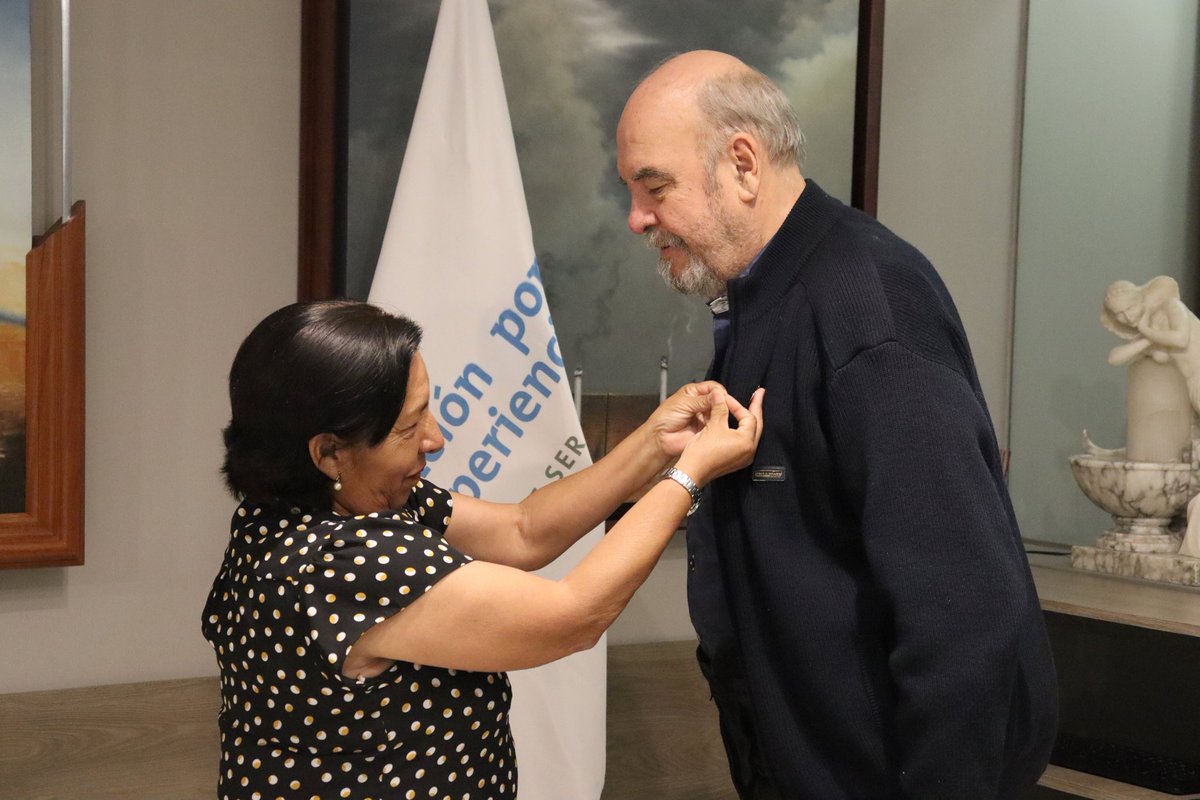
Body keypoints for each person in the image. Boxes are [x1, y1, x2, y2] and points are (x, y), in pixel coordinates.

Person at [616, 50, 1058, 799]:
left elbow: (963, 613)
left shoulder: (869, 311)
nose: (636, 219)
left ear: (744, 164)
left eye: (654, 188)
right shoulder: (762, 302)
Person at [201, 299, 763, 799]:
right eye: (408, 427)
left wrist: (654, 443)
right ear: (329, 454)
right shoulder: (343, 563)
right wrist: (691, 474)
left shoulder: (312, 505)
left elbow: (523, 530)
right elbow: (576, 615)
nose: (436, 438)